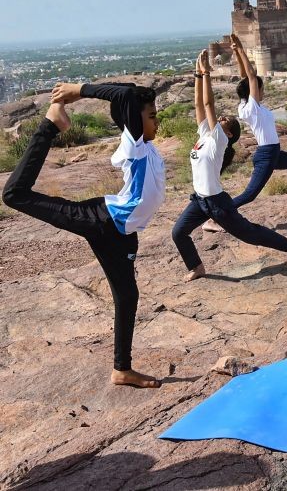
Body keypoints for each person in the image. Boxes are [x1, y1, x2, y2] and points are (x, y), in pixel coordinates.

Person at [3, 81, 166, 388]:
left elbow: (131, 91)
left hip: (122, 235)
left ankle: (121, 370)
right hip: (100, 221)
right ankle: (51, 124)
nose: (157, 121)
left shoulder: (149, 146)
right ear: (133, 121)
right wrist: (78, 90)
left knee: (128, 297)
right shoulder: (135, 145)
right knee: (15, 195)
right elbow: (127, 95)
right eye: (152, 115)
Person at [171, 50, 287, 282]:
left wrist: (206, 74)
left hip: (217, 204)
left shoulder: (219, 142)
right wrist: (197, 75)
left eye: (224, 120)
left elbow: (208, 103)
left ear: (228, 134)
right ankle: (197, 267)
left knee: (250, 234)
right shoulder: (206, 135)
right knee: (178, 233)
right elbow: (199, 104)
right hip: (199, 201)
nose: (220, 118)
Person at [229, 34, 287, 211]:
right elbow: (252, 76)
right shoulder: (251, 108)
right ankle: (217, 217)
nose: (262, 91)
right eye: (260, 88)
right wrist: (241, 48)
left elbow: (246, 77)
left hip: (274, 152)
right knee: (250, 194)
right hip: (267, 154)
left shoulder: (245, 104)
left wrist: (237, 54)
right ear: (254, 91)